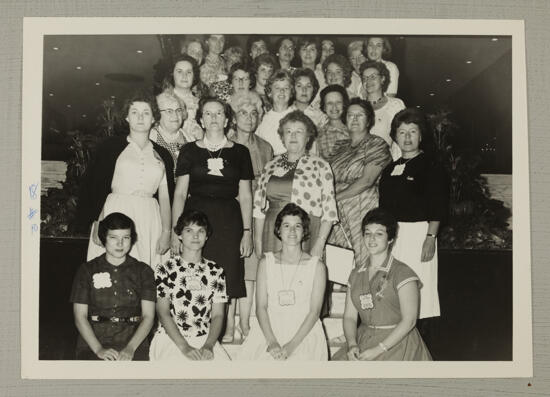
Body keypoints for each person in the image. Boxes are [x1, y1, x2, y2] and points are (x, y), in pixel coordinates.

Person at [171, 97, 254, 302]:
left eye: (219, 113)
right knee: (194, 273)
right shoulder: (189, 151)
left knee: (227, 275)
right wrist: (176, 231)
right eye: (208, 113)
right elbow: (180, 193)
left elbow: (245, 195)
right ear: (201, 120)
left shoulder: (240, 152)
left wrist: (247, 232)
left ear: (227, 120)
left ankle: (224, 330)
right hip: (196, 219)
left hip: (229, 220)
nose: (214, 117)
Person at [79, 91, 174, 268]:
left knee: (146, 275)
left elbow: (165, 197)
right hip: (115, 212)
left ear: (154, 118)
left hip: (149, 219)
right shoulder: (111, 147)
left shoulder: (163, 154)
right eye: (134, 112)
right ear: (127, 118)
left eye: (146, 113)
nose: (140, 117)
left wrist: (167, 232)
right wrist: (98, 223)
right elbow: (99, 188)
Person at [332, 208, 432, 361]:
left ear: (390, 238)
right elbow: (350, 317)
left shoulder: (403, 273)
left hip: (397, 344)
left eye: (379, 234)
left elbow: (409, 320)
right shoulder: (355, 274)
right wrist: (352, 344)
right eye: (367, 233)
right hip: (363, 340)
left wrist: (379, 349)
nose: (372, 239)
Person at [379, 108, 448, 323]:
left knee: (419, 291)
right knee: (394, 288)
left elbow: (438, 205)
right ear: (395, 136)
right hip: (393, 236)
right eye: (401, 132)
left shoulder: (431, 166)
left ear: (421, 135)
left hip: (419, 234)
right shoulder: (391, 168)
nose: (407, 137)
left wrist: (430, 238)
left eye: (412, 132)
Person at [237, 203, 328, 361]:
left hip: (304, 333)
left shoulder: (317, 266)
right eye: (287, 226)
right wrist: (272, 342)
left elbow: (314, 312)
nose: (292, 231)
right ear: (279, 230)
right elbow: (261, 307)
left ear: (304, 231)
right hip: (269, 330)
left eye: (297, 226)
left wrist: (291, 346)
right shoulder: (266, 262)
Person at [223, 92, 274, 343]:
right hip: (231, 213)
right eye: (243, 113)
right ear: (233, 116)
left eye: (254, 113)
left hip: (257, 215)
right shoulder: (224, 144)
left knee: (251, 270)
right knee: (231, 268)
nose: (249, 118)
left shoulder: (265, 147)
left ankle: (245, 320)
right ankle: (228, 323)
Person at [254, 110, 338, 260]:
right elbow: (259, 210)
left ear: (308, 138)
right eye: (288, 131)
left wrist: (320, 243)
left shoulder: (321, 165)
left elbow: (330, 211)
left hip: (306, 232)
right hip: (272, 232)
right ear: (282, 137)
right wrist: (258, 242)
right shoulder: (271, 165)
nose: (293, 136)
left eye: (299, 132)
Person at [70, 213, 156, 360]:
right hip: (94, 342)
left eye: (126, 238)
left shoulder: (144, 271)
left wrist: (130, 348)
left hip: (134, 342)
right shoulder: (87, 270)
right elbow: (80, 316)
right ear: (104, 239)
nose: (120, 244)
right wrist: (99, 350)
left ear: (132, 239)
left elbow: (148, 316)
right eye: (113, 238)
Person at [150, 210, 230, 361]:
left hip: (205, 338)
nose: (195, 236)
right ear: (179, 235)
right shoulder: (164, 269)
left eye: (201, 231)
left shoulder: (216, 271)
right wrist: (184, 347)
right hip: (172, 338)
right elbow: (163, 312)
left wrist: (209, 345)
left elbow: (218, 315)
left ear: (206, 236)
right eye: (189, 230)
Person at [328, 98, 392, 269]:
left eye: (360, 115)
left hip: (362, 205)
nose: (354, 119)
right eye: (350, 115)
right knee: (339, 260)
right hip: (338, 210)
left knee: (364, 256)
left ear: (369, 120)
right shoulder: (339, 146)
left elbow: (367, 181)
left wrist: (334, 198)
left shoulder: (377, 144)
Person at [359, 60, 405, 159]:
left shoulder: (395, 105)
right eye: (365, 78)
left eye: (373, 77)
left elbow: (401, 139)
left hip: (386, 164)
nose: (368, 81)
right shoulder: (357, 107)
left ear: (383, 79)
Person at [149, 91, 190, 177]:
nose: (175, 115)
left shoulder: (190, 138)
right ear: (158, 114)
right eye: (169, 111)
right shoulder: (150, 138)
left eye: (178, 110)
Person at [165, 54, 205, 142]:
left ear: (194, 76)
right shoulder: (163, 102)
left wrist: (203, 135)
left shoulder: (201, 103)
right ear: (172, 74)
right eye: (179, 71)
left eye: (189, 72)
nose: (184, 76)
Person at [256, 69, 295, 155]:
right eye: (277, 88)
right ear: (270, 92)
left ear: (291, 92)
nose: (282, 91)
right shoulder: (264, 120)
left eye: (286, 88)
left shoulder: (297, 117)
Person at [317, 84, 351, 162]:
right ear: (324, 107)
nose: (334, 107)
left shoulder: (355, 130)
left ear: (344, 104)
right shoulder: (318, 134)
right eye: (329, 103)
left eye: (338, 102)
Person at [291, 68, 328, 132]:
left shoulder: (321, 117)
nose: (304, 90)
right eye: (299, 86)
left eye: (308, 86)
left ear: (313, 90)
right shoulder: (285, 113)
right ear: (293, 89)